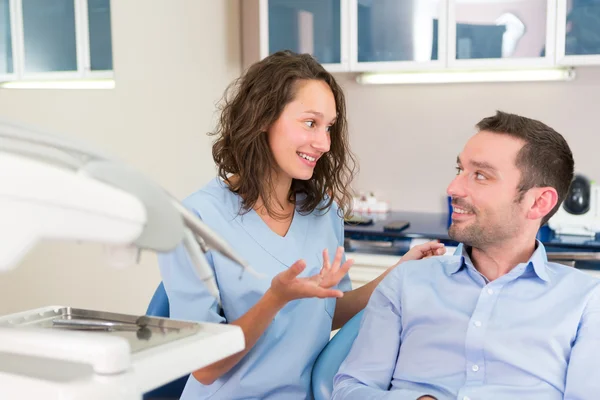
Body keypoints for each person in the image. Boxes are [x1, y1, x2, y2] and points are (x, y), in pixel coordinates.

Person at [157, 50, 445, 400]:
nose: (323, 143)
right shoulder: (195, 221)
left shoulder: (323, 212)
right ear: (264, 118)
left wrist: (398, 274)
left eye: (329, 127)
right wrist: (275, 300)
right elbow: (204, 368)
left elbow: (327, 309)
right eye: (310, 123)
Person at [332, 111, 600, 400]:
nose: (453, 188)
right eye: (459, 170)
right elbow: (349, 389)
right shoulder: (407, 281)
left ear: (538, 202)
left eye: (481, 176)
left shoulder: (586, 302)